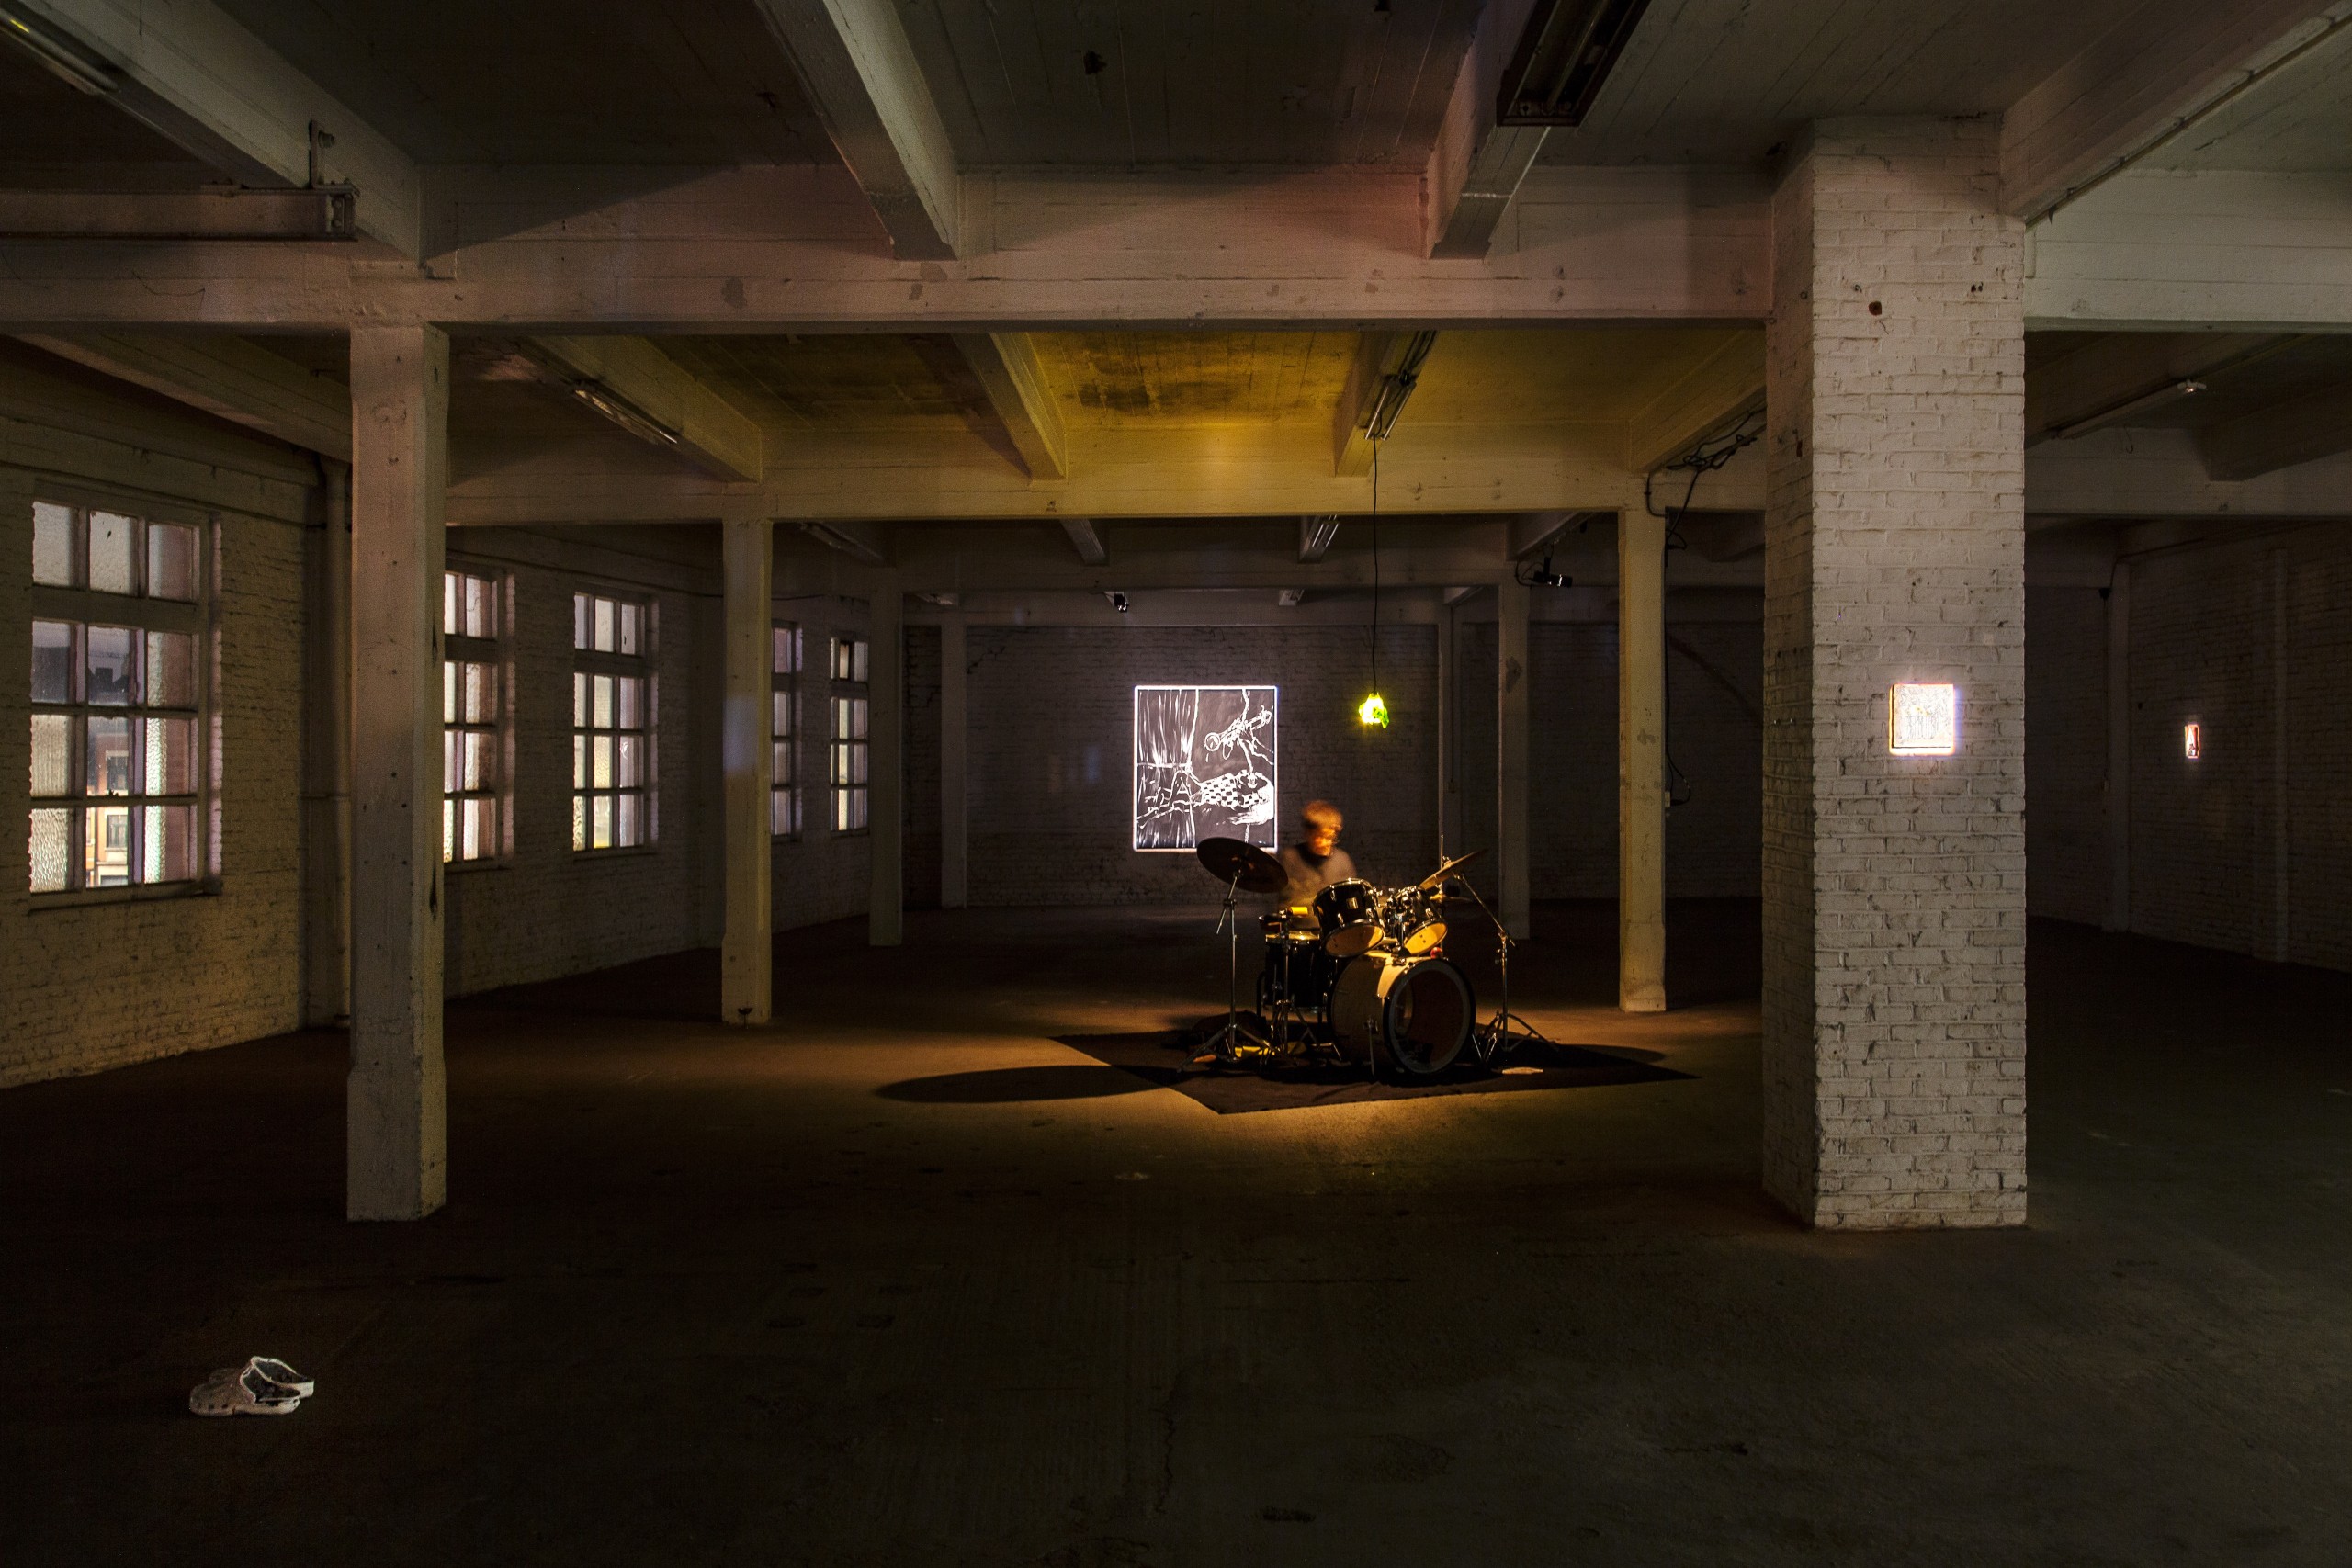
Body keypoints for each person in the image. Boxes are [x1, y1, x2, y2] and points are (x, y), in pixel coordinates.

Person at [1273, 799, 1356, 915]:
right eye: (1318, 836)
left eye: (1328, 837)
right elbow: (1285, 905)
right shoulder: (1290, 858)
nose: (1323, 842)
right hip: (1299, 928)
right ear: (1307, 833)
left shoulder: (1343, 861)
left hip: (1333, 930)